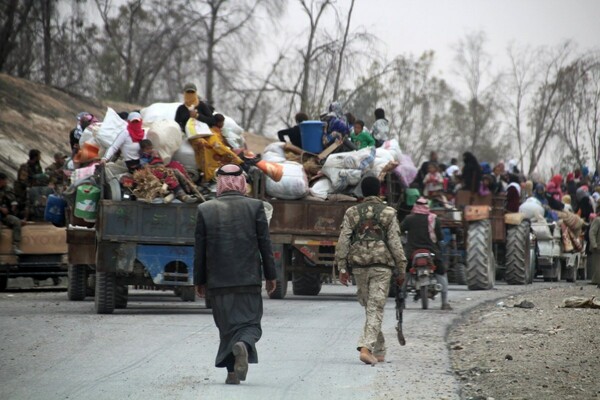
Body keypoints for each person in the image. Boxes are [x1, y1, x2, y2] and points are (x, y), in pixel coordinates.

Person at [194, 164, 276, 385]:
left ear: (219, 182)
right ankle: (245, 345)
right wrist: (271, 275)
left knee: (227, 328)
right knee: (251, 325)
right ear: (242, 182)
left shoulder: (205, 209)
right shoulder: (256, 207)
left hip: (218, 282)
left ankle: (232, 373)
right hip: (248, 279)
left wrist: (199, 281)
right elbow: (264, 245)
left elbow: (200, 249)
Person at [335, 176, 407, 365]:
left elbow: (343, 240)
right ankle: (372, 348)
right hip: (381, 267)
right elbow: (395, 243)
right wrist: (401, 269)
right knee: (374, 307)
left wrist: (342, 267)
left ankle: (373, 348)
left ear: (362, 192)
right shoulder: (389, 213)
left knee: (372, 306)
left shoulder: (352, 213)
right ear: (380, 191)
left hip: (359, 267)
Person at [400, 197, 452, 310]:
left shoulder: (409, 219)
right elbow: (440, 237)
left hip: (412, 253)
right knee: (441, 273)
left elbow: (400, 230)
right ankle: (444, 302)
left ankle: (401, 301)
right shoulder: (434, 219)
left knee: (405, 274)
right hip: (431, 252)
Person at [190, 114, 244, 184]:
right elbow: (219, 146)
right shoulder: (213, 134)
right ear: (219, 123)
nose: (223, 124)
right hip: (214, 163)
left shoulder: (214, 132)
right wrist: (235, 158)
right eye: (222, 122)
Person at [0, 173, 24, 254]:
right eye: (4, 180)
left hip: (4, 215)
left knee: (16, 221)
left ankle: (15, 246)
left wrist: (13, 204)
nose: (6, 182)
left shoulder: (7, 189)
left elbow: (13, 199)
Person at [588, 213, 600, 285]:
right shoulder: (598, 220)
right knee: (597, 266)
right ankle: (596, 281)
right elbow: (592, 232)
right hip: (597, 247)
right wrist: (594, 244)